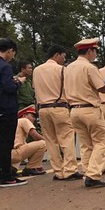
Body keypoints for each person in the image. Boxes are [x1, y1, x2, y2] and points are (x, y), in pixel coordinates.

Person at [64, 38, 105, 188]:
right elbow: (101, 87)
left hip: (74, 110)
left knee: (85, 144)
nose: (95, 54)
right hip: (90, 109)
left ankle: (88, 173)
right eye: (95, 51)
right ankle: (93, 174)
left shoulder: (68, 68)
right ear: (89, 51)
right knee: (102, 141)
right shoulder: (89, 67)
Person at [33, 44, 82, 181]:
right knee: (66, 139)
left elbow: (34, 89)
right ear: (57, 55)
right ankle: (70, 170)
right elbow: (69, 88)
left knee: (50, 141)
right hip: (59, 106)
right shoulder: (62, 70)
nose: (64, 59)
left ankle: (58, 171)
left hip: (42, 109)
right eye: (63, 56)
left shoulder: (36, 70)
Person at [0, 38, 27, 187]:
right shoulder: (6, 67)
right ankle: (6, 175)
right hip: (7, 109)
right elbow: (9, 88)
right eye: (12, 53)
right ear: (9, 51)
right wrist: (18, 82)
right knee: (6, 143)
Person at [11, 105, 47, 176]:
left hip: (7, 154)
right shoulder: (24, 120)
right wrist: (48, 141)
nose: (34, 119)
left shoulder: (15, 123)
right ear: (24, 115)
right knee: (43, 143)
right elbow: (35, 135)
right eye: (32, 116)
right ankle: (32, 167)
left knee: (24, 145)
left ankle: (11, 169)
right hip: (15, 153)